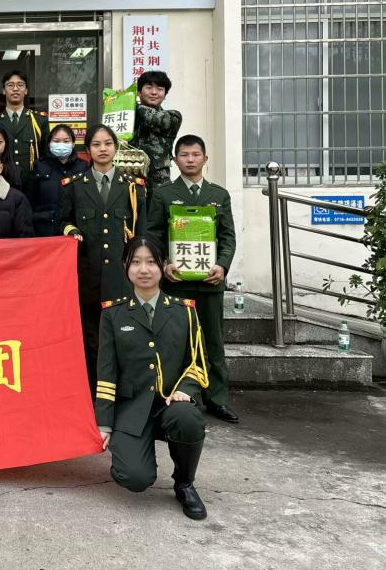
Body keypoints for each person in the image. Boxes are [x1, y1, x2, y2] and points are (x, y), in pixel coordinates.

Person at [96, 235, 210, 520]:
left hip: (171, 404)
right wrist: (104, 422)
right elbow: (106, 372)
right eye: (136, 262)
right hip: (131, 408)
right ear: (125, 266)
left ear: (163, 266)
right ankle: (135, 452)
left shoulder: (185, 312)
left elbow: (197, 362)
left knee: (188, 418)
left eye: (151, 262)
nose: (144, 269)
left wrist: (186, 389)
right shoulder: (113, 314)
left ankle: (184, 483)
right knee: (134, 478)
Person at [148, 134, 239, 424]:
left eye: (195, 154)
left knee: (213, 342)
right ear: (175, 160)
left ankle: (217, 399)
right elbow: (153, 235)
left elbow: (227, 237)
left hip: (209, 284)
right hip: (176, 283)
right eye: (184, 155)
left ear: (205, 159)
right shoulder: (163, 194)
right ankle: (174, 395)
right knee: (175, 341)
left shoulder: (218, 195)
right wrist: (163, 264)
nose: (190, 159)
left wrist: (222, 266)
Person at [58, 123, 146, 390]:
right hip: (88, 277)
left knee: (123, 335)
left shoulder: (133, 187)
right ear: (88, 150)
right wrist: (72, 230)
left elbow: (141, 233)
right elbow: (62, 221)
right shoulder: (74, 186)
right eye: (96, 144)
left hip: (121, 277)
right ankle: (93, 392)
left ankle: (123, 390)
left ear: (116, 148)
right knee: (91, 337)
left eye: (108, 143)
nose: (102, 149)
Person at [0, 70, 49, 185]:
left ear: (26, 90)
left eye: (20, 85)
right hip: (1, 181)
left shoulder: (39, 121)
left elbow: (46, 154)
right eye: (10, 85)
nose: (15, 89)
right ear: (4, 90)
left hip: (31, 182)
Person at [26, 124, 89, 237]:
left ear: (73, 143)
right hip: (44, 230)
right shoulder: (39, 166)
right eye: (56, 141)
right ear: (49, 144)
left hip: (75, 232)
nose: (61, 145)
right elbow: (30, 200)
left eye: (66, 141)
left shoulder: (83, 167)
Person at [130, 70, 182, 198]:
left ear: (165, 95)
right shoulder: (127, 117)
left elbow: (153, 118)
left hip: (158, 181)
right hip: (129, 176)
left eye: (160, 89)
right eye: (149, 87)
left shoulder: (173, 116)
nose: (154, 92)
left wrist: (126, 101)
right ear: (139, 92)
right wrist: (119, 105)